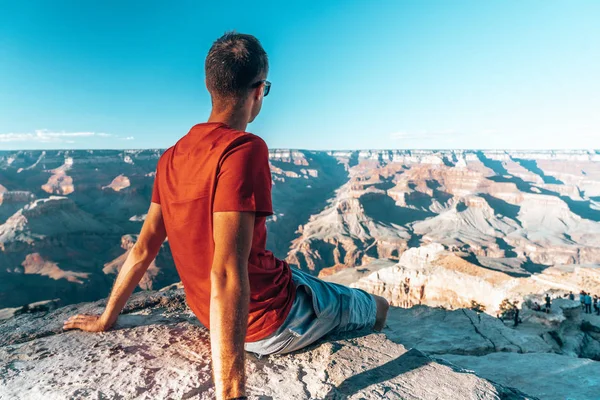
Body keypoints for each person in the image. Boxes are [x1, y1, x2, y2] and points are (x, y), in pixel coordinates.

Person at [62, 32, 389, 400]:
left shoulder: (171, 156)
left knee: (301, 275)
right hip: (271, 322)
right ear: (259, 91)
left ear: (209, 87)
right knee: (377, 307)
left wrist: (108, 319)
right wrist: (232, 394)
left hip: (210, 315)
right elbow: (227, 272)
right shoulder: (244, 148)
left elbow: (142, 249)